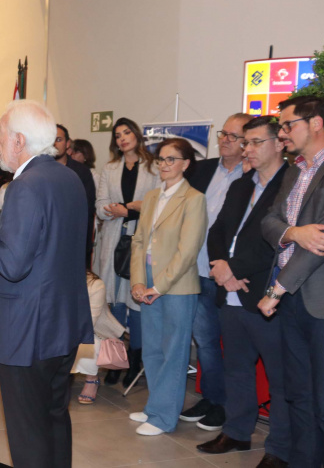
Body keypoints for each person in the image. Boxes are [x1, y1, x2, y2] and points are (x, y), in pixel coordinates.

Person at [0, 100, 92, 468]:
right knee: (54, 417)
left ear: (19, 140)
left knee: (28, 432)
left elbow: (13, 264)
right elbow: (46, 247)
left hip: (28, 329)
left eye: (2, 132)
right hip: (62, 323)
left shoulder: (24, 186)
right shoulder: (68, 177)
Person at [198, 115, 290, 468]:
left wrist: (232, 270)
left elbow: (278, 243)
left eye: (254, 143)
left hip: (266, 293)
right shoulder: (241, 184)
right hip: (230, 291)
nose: (246, 149)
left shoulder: (292, 183)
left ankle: (279, 448)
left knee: (280, 378)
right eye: (244, 142)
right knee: (237, 368)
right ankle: (236, 431)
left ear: (278, 144)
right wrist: (221, 267)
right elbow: (218, 229)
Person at [260, 95, 324, 467]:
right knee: (299, 395)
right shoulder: (294, 169)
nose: (282, 132)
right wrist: (294, 232)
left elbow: (323, 240)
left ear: (317, 123)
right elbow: (269, 221)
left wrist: (277, 289)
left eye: (288, 125)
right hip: (291, 300)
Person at [129, 138, 207, 436]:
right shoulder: (151, 197)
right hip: (147, 277)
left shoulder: (193, 199)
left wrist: (158, 285)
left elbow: (188, 251)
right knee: (152, 349)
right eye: (161, 159)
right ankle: (154, 408)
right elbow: (139, 241)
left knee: (173, 352)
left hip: (175, 284)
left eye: (171, 159)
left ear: (186, 164)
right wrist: (138, 279)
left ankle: (163, 418)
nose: (164, 164)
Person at [181, 112, 253, 430]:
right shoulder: (204, 168)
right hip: (194, 269)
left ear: (248, 142)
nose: (225, 139)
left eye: (233, 136)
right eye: (224, 133)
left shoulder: (253, 175)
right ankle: (212, 399)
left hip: (228, 273)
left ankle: (229, 407)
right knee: (205, 341)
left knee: (231, 345)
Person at [94, 118, 159, 386]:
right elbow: (100, 207)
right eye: (118, 135)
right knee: (115, 303)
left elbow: (157, 204)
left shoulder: (154, 167)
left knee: (138, 302)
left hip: (143, 243)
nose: (122, 138)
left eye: (127, 132)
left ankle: (136, 358)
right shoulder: (108, 169)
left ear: (137, 135)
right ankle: (115, 361)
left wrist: (128, 209)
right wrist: (123, 208)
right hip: (113, 241)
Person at [72, 271, 126, 405]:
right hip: (63, 327)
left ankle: (92, 378)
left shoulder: (94, 284)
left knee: (87, 344)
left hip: (96, 332)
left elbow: (89, 323)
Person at [55, 124, 97, 266]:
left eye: (59, 139)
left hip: (75, 241)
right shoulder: (38, 170)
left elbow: (88, 207)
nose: (54, 144)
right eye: (50, 139)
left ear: (67, 144)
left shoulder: (81, 172)